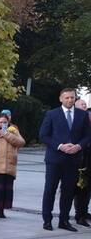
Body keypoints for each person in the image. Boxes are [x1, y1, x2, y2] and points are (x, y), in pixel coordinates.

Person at [40, 88, 91, 231]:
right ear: (61, 99)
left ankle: (64, 220)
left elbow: (88, 135)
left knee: (68, 191)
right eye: (67, 97)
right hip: (55, 159)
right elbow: (43, 135)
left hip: (73, 159)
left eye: (72, 97)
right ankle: (47, 220)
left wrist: (79, 146)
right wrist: (60, 146)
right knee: (50, 189)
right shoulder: (52, 114)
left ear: (75, 98)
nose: (70, 100)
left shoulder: (82, 115)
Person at [76, 99, 91, 227]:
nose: (85, 105)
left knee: (87, 190)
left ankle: (84, 212)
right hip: (80, 159)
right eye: (82, 104)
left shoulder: (88, 118)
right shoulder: (75, 120)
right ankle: (79, 215)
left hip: (88, 158)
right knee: (80, 188)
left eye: (85, 104)